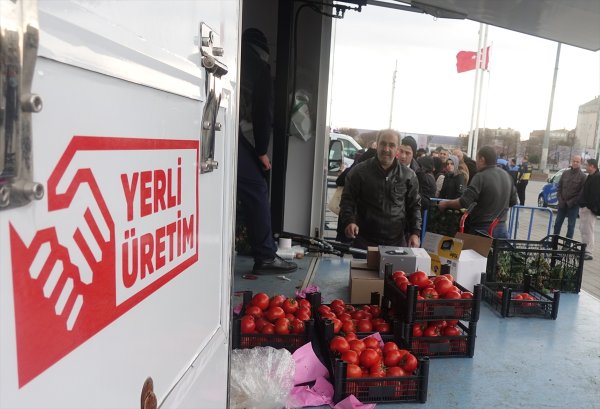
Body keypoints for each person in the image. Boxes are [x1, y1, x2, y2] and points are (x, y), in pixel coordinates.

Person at [237, 28, 297, 274]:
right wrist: (262, 151)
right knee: (257, 190)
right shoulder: (259, 67)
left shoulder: (235, 59)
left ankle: (254, 246)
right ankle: (265, 256)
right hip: (233, 140)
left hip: (222, 135)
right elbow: (263, 113)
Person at [339, 129, 422, 249]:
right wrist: (349, 221)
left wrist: (415, 233)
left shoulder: (409, 175)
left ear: (397, 149)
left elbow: (414, 206)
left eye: (392, 145)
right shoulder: (359, 172)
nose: (386, 149)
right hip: (364, 242)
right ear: (377, 145)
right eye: (383, 144)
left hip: (396, 243)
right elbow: (347, 200)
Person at [438, 146, 517, 238]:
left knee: (475, 252)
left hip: (481, 230)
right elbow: (513, 201)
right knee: (499, 252)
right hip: (501, 228)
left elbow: (464, 202)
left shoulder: (480, 176)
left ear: (482, 159)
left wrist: (445, 204)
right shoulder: (506, 175)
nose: (475, 163)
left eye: (476, 159)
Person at [553, 155, 586, 239]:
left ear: (580, 163)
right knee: (557, 224)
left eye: (577, 162)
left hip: (573, 206)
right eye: (574, 161)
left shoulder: (583, 176)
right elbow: (559, 188)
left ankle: (567, 245)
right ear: (571, 161)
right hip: (562, 204)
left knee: (571, 226)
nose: (575, 163)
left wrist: (570, 202)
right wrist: (560, 200)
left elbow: (581, 194)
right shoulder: (565, 173)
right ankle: (554, 243)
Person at [578, 159, 600, 260]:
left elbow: (596, 195)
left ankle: (588, 252)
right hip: (584, 207)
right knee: (583, 230)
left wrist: (590, 206)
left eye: (587, 165)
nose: (585, 167)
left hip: (589, 208)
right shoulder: (591, 176)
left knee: (588, 230)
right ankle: (584, 249)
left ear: (592, 166)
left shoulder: (597, 177)